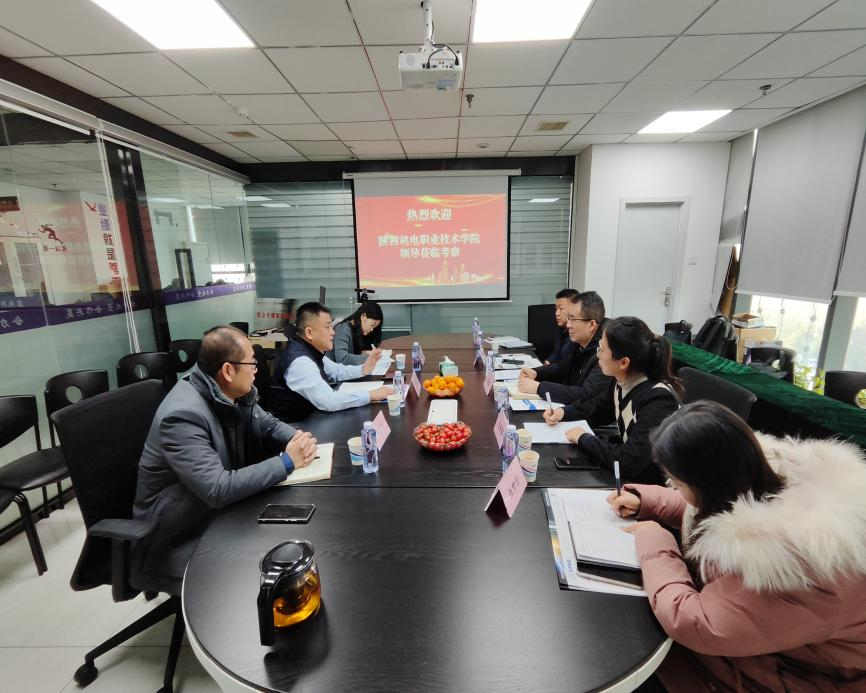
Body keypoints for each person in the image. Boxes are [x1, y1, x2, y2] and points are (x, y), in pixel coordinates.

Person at [610, 401, 866, 692]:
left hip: (790, 676)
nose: (675, 489)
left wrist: (656, 541)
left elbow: (697, 624)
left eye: (677, 483)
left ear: (705, 483)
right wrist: (648, 501)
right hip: (764, 650)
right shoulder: (769, 479)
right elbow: (712, 508)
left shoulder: (798, 566)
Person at [132, 325, 318, 589]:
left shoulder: (227, 391)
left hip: (218, 514)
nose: (256, 369)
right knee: (273, 573)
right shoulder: (182, 416)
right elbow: (217, 488)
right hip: (179, 534)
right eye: (252, 363)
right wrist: (287, 461)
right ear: (228, 370)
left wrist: (299, 440)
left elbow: (267, 423)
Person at [544, 316, 680, 484]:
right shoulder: (621, 380)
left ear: (623, 362)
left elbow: (629, 461)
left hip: (658, 486)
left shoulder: (658, 400)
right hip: (633, 476)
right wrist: (563, 413)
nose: (597, 356)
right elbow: (597, 409)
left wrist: (584, 438)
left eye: (601, 350)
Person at [271, 302, 394, 422]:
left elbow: (337, 371)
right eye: (327, 327)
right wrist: (370, 395)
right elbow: (329, 401)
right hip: (296, 427)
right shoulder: (301, 363)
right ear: (309, 332)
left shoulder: (310, 350)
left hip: (312, 415)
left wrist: (364, 369)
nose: (333, 332)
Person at [517, 290, 612, 406]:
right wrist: (536, 373)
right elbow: (563, 368)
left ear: (591, 324)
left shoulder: (606, 351)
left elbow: (585, 395)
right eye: (568, 318)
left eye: (573, 319)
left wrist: (539, 388)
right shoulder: (579, 340)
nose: (568, 325)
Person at [326, 300, 384, 366]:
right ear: (363, 316)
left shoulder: (358, 331)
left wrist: (363, 353)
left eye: (374, 327)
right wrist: (369, 356)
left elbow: (353, 354)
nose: (372, 329)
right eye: (372, 325)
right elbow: (342, 359)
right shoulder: (343, 329)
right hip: (333, 371)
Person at [546, 288, 579, 364]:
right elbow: (556, 352)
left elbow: (566, 364)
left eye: (561, 308)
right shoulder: (562, 328)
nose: (556, 313)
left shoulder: (577, 334)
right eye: (556, 309)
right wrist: (548, 361)